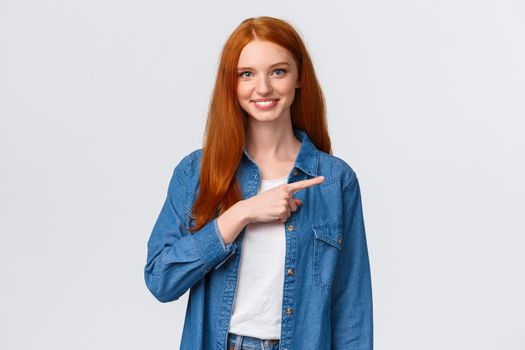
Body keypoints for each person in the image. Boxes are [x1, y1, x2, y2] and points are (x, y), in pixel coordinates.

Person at [144, 16, 373, 350]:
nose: (263, 87)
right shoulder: (196, 172)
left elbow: (351, 307)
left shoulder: (336, 181)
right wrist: (240, 215)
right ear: (231, 84)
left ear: (298, 78)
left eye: (278, 71)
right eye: (247, 74)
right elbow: (161, 280)